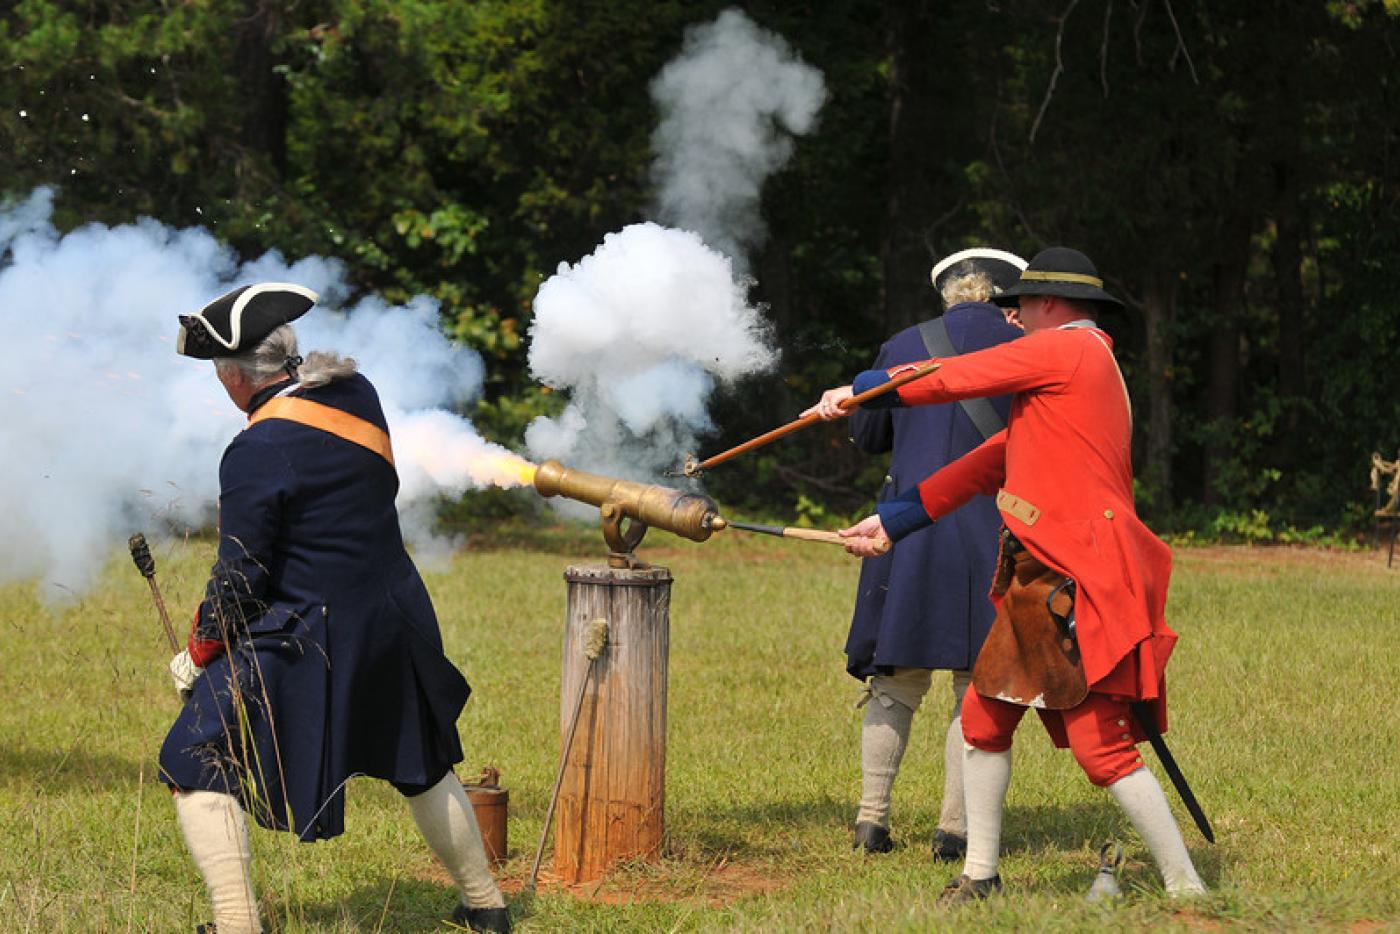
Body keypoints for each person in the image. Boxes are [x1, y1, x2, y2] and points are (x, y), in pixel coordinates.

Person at [805, 248, 1207, 903]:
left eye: (1020, 307)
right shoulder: (1063, 373)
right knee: (981, 723)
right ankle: (980, 874)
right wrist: (892, 522)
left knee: (1100, 750)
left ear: (1049, 305)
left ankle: (1186, 887)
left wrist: (866, 389)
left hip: (1075, 584)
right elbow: (989, 462)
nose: (1012, 318)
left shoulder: (1074, 351)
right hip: (1033, 583)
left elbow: (967, 373)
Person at [160, 283, 510, 933]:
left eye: (217, 371)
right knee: (424, 764)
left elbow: (240, 578)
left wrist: (201, 652)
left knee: (192, 755)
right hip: (395, 612)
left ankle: (237, 925)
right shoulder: (357, 393)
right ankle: (486, 908)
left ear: (235, 375)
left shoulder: (253, 452)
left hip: (309, 631)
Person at [844, 249, 1025, 860]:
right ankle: (955, 830)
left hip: (906, 526)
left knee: (893, 682)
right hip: (990, 528)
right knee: (973, 685)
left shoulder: (902, 345)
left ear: (948, 293)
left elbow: (868, 435)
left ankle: (871, 821)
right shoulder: (1026, 350)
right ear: (1009, 298)